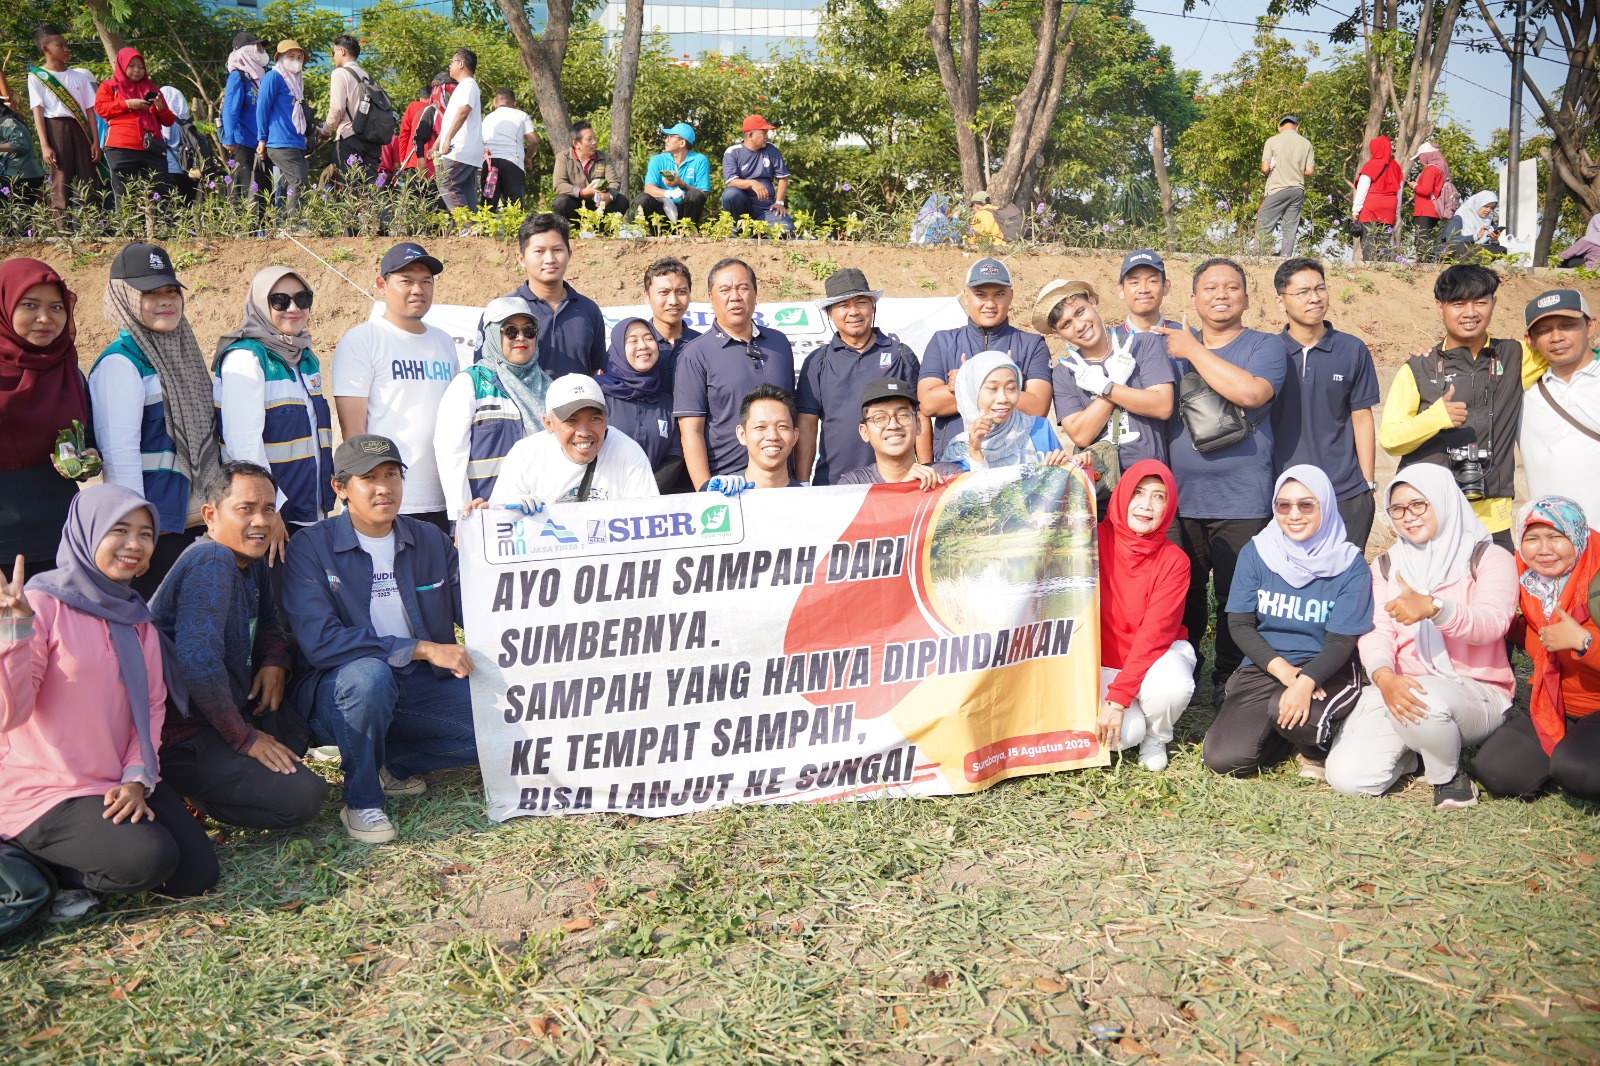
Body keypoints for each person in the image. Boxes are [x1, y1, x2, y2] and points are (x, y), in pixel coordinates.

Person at [1, 485, 219, 914]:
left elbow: (153, 708)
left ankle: (85, 855)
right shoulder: (41, 606)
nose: (134, 545)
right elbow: (10, 713)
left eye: (145, 534)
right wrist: (12, 636)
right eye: (119, 530)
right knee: (147, 859)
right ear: (86, 533)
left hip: (117, 781)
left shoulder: (136, 618)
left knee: (197, 875)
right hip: (46, 789)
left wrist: (137, 777)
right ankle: (40, 864)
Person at [283, 436, 478, 844]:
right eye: (368, 478)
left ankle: (392, 762)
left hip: (421, 684)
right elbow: (321, 642)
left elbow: (477, 610)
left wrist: (491, 537)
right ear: (340, 488)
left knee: (499, 727)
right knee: (369, 677)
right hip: (341, 692)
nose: (384, 488)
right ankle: (362, 800)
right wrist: (421, 648)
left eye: (392, 475)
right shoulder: (311, 547)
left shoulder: (429, 539)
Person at [150, 462, 328, 830]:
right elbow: (198, 664)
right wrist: (245, 739)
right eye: (245, 509)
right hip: (183, 736)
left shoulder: (249, 557)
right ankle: (186, 794)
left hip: (225, 710)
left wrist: (275, 660)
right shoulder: (211, 560)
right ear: (210, 515)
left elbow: (269, 624)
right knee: (303, 797)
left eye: (268, 509)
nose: (261, 521)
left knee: (302, 650)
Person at [1324, 467, 1516, 809]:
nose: (1407, 517)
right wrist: (1383, 677)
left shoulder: (1487, 557)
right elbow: (1376, 630)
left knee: (1425, 702)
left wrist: (1436, 608)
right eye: (1397, 509)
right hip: (1399, 686)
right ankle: (1417, 752)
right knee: (1347, 777)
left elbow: (1493, 623)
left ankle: (1448, 777)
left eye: (1418, 505)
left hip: (1475, 690)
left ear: (1443, 501)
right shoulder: (1386, 565)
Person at [1156, 258, 1287, 694]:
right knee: (1183, 598)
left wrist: (1194, 350)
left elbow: (1251, 393)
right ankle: (1182, 677)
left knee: (1238, 600)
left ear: (1247, 298)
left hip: (1243, 500)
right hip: (1181, 499)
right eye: (1209, 288)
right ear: (1193, 298)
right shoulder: (1166, 347)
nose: (1221, 294)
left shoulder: (1264, 346)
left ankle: (1230, 681)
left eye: (1231, 287)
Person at [1202, 466, 1373, 779]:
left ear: (1325, 505)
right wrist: (1283, 671)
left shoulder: (1350, 564)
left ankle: (1314, 748)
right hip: (1268, 662)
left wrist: (1304, 681)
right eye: (1284, 505)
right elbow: (1240, 623)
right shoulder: (1258, 552)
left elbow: (1340, 641)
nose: (1294, 514)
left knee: (1300, 718)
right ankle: (1283, 730)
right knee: (1225, 761)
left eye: (1306, 505)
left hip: (1325, 665)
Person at [90, 242, 223, 598]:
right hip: (159, 534)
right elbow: (120, 460)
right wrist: (135, 537)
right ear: (125, 298)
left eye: (171, 290)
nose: (165, 300)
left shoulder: (182, 350)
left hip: (199, 523)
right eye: (150, 292)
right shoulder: (121, 364)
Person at [1379, 264, 1541, 550]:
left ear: (1494, 303)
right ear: (1440, 308)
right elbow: (1390, 440)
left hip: (1493, 520)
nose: (1470, 312)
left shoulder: (1516, 355)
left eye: (1480, 302)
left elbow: (1572, 351)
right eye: (1458, 303)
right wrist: (1436, 417)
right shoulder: (1419, 366)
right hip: (1430, 517)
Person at [1472, 497, 1600, 802]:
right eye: (1532, 538)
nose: (1544, 549)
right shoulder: (1525, 578)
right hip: (1552, 698)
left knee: (1581, 772)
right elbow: (1514, 626)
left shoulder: (1597, 579)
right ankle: (1566, 752)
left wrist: (1584, 643)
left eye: (1556, 536)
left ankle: (1571, 759)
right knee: (1498, 772)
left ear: (1577, 535)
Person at [332, 243, 458, 534]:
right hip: (386, 501)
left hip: (441, 498)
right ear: (381, 284)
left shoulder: (444, 342)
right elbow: (354, 436)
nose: (418, 289)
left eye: (426, 281)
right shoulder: (362, 340)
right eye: (406, 281)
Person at [1270, 258, 1380, 548]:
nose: (1315, 298)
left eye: (1320, 288)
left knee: (1343, 582)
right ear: (1281, 301)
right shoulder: (1268, 352)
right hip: (1284, 495)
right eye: (1303, 291)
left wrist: (1367, 484)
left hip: (1344, 493)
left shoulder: (1352, 349)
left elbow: (1361, 416)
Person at [214, 267, 333, 533]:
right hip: (272, 519)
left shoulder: (304, 356)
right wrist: (270, 509)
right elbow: (243, 446)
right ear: (259, 304)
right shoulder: (247, 357)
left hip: (308, 510)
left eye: (302, 299)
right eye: (279, 300)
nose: (293, 308)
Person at [1096, 460, 1195, 772]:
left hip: (1153, 657)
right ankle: (1138, 721)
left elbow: (1154, 636)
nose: (1146, 505)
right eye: (1138, 493)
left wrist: (1116, 700)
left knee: (1173, 686)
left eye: (1159, 496)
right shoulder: (1091, 541)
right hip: (1101, 662)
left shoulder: (1174, 561)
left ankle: (1157, 735)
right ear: (1123, 494)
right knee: (1124, 736)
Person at [674, 258, 797, 487]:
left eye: (743, 288)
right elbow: (691, 432)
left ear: (755, 293)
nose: (735, 296)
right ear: (711, 298)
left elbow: (792, 417)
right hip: (728, 485)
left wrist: (800, 479)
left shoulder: (779, 343)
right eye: (725, 290)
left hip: (781, 482)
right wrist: (705, 489)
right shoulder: (695, 353)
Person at [797, 267, 926, 486]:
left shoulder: (900, 354)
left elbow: (919, 417)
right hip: (833, 484)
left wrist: (926, 468)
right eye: (843, 305)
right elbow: (807, 426)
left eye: (861, 303)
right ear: (830, 313)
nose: (853, 312)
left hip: (895, 484)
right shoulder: (818, 361)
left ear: (872, 306)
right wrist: (801, 482)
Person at [0, 258, 88, 578]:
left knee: (56, 630)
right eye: (29, 305)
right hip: (3, 545)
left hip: (62, 540)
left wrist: (86, 457)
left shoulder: (69, 371)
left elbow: (86, 442)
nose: (45, 318)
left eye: (56, 307)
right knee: (12, 630)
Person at [918, 258, 1052, 459]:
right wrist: (1006, 390)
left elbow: (1038, 407)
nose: (990, 304)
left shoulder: (1032, 344)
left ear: (1011, 296)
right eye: (980, 295)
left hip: (1015, 460)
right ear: (966, 296)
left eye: (999, 295)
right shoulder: (942, 341)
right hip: (953, 462)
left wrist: (965, 383)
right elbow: (928, 403)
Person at [1037, 278, 1174, 476]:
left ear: (1092, 302)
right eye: (1066, 324)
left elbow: (1162, 406)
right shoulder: (1064, 372)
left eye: (1080, 311)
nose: (1079, 325)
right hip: (1101, 487)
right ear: (1057, 333)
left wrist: (1106, 386)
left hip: (1150, 482)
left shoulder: (1143, 345)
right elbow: (1081, 435)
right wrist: (1111, 385)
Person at [434, 296, 548, 518]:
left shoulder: (547, 386)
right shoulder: (470, 384)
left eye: (529, 331)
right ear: (494, 336)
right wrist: (462, 518)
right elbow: (450, 455)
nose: (521, 338)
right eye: (511, 331)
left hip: (541, 514)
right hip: (485, 515)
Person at [485, 375, 659, 509]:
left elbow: (648, 519)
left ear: (606, 418)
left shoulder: (628, 452)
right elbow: (496, 521)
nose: (584, 432)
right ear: (548, 423)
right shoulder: (525, 454)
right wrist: (483, 518)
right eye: (571, 421)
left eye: (594, 419)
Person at [490, 213, 608, 378]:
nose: (550, 259)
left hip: (578, 403)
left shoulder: (589, 310)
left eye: (557, 250)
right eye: (539, 251)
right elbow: (487, 371)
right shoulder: (503, 311)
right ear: (521, 258)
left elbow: (596, 371)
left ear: (569, 254)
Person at [1519, 290, 1600, 522]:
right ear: (1530, 341)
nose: (1556, 337)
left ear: (1591, 326)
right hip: (1552, 544)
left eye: (1567, 326)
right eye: (1544, 331)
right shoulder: (1524, 392)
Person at [941, 352, 1074, 470]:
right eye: (992, 388)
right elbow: (967, 497)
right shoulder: (959, 450)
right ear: (972, 391)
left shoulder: (1038, 428)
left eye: (1011, 388)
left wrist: (1068, 465)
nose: (1003, 398)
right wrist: (975, 452)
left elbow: (1063, 487)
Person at [600, 318, 685, 493]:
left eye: (648, 338)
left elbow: (674, 456)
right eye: (632, 341)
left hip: (652, 503)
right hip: (603, 500)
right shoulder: (598, 396)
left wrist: (646, 493)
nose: (643, 346)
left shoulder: (667, 402)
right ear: (617, 349)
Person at [27, 24, 101, 218]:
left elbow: (89, 111)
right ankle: (63, 233)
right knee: (60, 180)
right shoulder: (37, 77)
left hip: (81, 129)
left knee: (88, 178)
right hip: (55, 129)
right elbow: (38, 111)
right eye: (59, 45)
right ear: (45, 49)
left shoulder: (79, 77)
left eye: (66, 44)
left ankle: (92, 227)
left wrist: (95, 141)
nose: (66, 49)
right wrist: (44, 145)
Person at [837, 378, 962, 487]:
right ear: (864, 432)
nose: (893, 425)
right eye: (880, 418)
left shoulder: (946, 477)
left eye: (903, 415)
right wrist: (904, 490)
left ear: (918, 425)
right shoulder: (853, 485)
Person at [94, 48, 176, 207]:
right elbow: (101, 109)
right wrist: (128, 104)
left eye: (141, 67)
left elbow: (169, 121)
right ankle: (130, 232)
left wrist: (160, 107)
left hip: (151, 148)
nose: (137, 70)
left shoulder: (152, 88)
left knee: (160, 193)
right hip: (121, 148)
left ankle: (161, 230)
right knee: (126, 196)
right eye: (132, 66)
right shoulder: (109, 86)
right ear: (122, 65)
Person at [703, 385, 806, 495]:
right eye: (760, 427)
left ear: (795, 436)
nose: (773, 436)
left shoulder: (810, 501)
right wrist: (709, 499)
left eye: (782, 426)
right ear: (742, 434)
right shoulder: (717, 492)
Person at [255, 40, 310, 221]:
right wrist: (261, 138)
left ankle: (284, 226)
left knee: (290, 185)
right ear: (281, 58)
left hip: (295, 141)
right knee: (298, 180)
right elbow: (262, 108)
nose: (296, 60)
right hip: (280, 141)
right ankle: (295, 225)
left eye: (299, 57)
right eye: (291, 56)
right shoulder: (274, 77)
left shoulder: (296, 82)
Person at [322, 34, 382, 175]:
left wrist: (325, 131)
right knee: (368, 188)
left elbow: (337, 108)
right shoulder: (366, 75)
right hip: (372, 140)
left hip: (350, 137)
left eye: (333, 52)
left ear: (342, 51)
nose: (333, 56)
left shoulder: (340, 73)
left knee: (350, 188)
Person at [721, 114, 792, 233]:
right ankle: (737, 230)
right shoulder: (732, 152)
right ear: (750, 135)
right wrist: (751, 183)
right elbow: (731, 182)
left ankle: (758, 232)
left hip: (766, 207)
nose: (766, 137)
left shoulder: (771, 149)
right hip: (743, 204)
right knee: (730, 194)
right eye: (763, 133)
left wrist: (779, 202)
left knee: (786, 230)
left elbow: (783, 178)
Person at [1256, 115, 1314, 257]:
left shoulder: (1272, 141)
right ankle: (1285, 257)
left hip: (1277, 188)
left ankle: (1259, 257)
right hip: (1297, 190)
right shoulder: (1306, 144)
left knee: (1264, 223)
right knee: (1290, 226)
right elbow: (1309, 171)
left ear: (1279, 127)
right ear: (1297, 127)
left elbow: (1264, 169)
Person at [639, 256, 701, 389]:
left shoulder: (703, 345)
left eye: (681, 292)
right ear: (646, 296)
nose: (673, 301)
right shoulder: (635, 348)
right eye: (663, 292)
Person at [219, 31, 267, 204]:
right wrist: (229, 138)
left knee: (261, 191)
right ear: (245, 51)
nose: (261, 52)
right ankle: (239, 229)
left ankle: (258, 230)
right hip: (242, 143)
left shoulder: (260, 77)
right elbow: (230, 110)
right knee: (241, 188)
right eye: (258, 47)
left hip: (260, 144)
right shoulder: (238, 77)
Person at [433, 48, 482, 212]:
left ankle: (467, 225)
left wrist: (447, 140)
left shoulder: (468, 85)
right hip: (464, 150)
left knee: (446, 184)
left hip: (458, 149)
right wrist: (437, 144)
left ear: (461, 64)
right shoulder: (464, 86)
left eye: (452, 62)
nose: (449, 65)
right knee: (467, 193)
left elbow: (463, 112)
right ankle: (475, 231)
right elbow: (449, 121)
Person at [551, 119, 628, 223]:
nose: (594, 142)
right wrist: (582, 192)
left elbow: (614, 183)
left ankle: (603, 231)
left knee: (622, 201)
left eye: (594, 138)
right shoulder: (563, 158)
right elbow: (559, 185)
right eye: (589, 139)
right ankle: (573, 230)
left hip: (599, 205)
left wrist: (608, 196)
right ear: (576, 143)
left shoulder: (605, 158)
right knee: (561, 202)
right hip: (576, 205)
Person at [639, 122, 710, 226]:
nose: (666, 140)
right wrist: (668, 194)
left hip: (686, 212)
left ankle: (689, 230)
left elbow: (702, 194)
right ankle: (655, 231)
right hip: (663, 209)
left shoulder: (699, 160)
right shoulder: (657, 160)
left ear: (682, 143)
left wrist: (681, 184)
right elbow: (648, 188)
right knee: (642, 198)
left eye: (670, 137)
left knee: (695, 193)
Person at [480, 87, 537, 208]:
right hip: (512, 164)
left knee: (488, 207)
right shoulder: (522, 115)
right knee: (514, 208)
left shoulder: (487, 118)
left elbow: (481, 143)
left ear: (495, 103)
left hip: (490, 165)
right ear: (514, 104)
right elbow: (534, 141)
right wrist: (528, 157)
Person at [1110, 250, 1182, 341]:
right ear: (1121, 290)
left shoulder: (1187, 338)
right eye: (1134, 282)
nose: (1143, 290)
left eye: (1152, 281)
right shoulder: (1108, 343)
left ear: (1165, 287)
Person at [1352, 135, 1402, 261]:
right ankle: (1384, 265)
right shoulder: (1396, 166)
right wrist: (1396, 212)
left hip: (1372, 205)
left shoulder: (1370, 165)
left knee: (1368, 237)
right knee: (1385, 239)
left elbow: (1362, 189)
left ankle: (1369, 265)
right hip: (1390, 205)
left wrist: (1356, 210)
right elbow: (1399, 191)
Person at [0, 93, 48, 205]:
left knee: (11, 215)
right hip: (22, 174)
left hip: (19, 175)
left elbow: (20, 145)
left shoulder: (7, 122)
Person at [1408, 141, 1451, 254]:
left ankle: (1424, 265)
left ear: (1427, 155)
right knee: (1425, 239)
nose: (1420, 161)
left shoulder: (1431, 169)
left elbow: (1426, 190)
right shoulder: (1442, 168)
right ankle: (1427, 262)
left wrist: (1414, 185)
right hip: (1434, 210)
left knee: (1421, 240)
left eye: (1420, 157)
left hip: (1425, 209)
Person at [158, 85, 197, 203]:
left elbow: (161, 143)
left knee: (170, 212)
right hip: (188, 172)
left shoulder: (166, 122)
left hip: (169, 170)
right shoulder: (186, 124)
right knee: (187, 213)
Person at [1439, 192, 1505, 258]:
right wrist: (1476, 237)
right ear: (1478, 204)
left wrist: (1494, 240)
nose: (1488, 210)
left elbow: (1491, 245)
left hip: (1479, 250)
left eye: (1491, 208)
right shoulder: (1461, 217)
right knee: (1460, 248)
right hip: (1463, 250)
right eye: (1486, 206)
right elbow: (1451, 239)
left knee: (1502, 250)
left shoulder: (1489, 221)